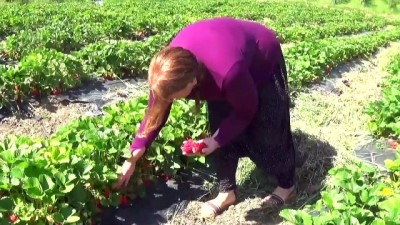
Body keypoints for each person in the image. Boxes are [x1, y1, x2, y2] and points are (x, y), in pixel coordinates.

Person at [114, 17, 303, 218]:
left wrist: (217, 140)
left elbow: (246, 109)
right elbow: (156, 109)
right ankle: (226, 192)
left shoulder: (228, 73)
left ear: (193, 82)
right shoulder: (167, 71)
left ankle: (286, 186)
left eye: (175, 96)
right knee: (219, 121)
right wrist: (134, 154)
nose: (171, 101)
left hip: (260, 58)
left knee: (269, 124)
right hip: (221, 53)